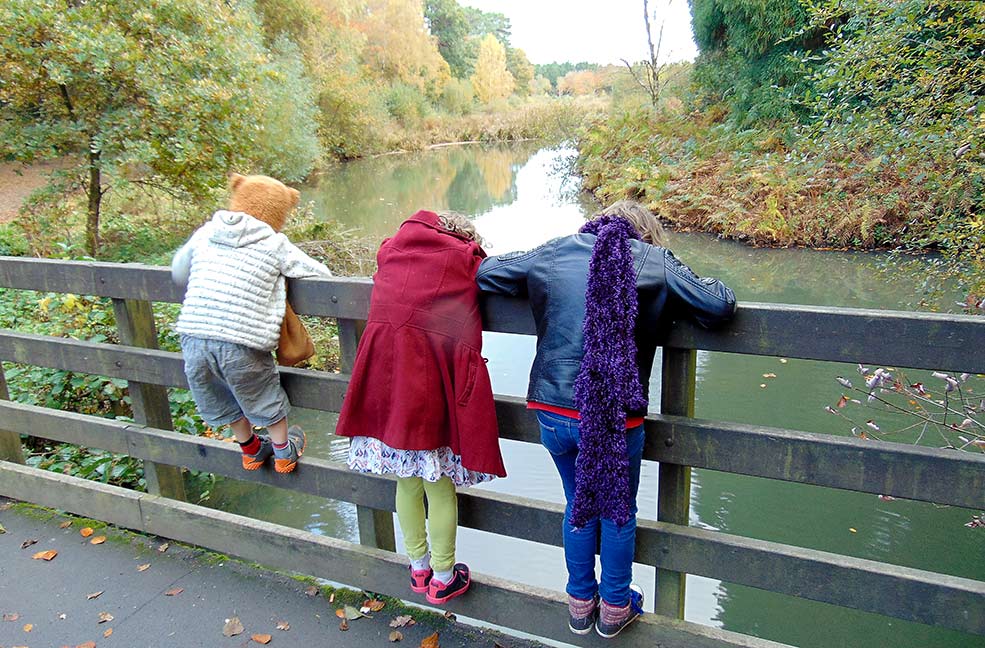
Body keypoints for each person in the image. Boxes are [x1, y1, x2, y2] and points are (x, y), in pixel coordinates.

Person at [476, 200, 736, 638]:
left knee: (579, 505)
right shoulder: (653, 259)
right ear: (645, 232)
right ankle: (615, 605)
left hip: (554, 408)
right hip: (615, 417)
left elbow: (488, 274)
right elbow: (719, 304)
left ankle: (580, 605)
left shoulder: (556, 251)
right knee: (617, 511)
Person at [336, 210, 506, 605]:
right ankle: (444, 576)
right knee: (439, 485)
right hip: (430, 386)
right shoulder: (463, 259)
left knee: (405, 481)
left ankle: (418, 568)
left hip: (386, 382)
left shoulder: (390, 251)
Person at [171, 173, 333, 474]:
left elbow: (179, 269)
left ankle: (250, 450)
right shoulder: (273, 242)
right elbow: (320, 274)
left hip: (193, 335)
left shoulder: (206, 232)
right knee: (262, 392)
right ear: (281, 212)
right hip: (241, 339)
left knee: (219, 392)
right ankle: (284, 453)